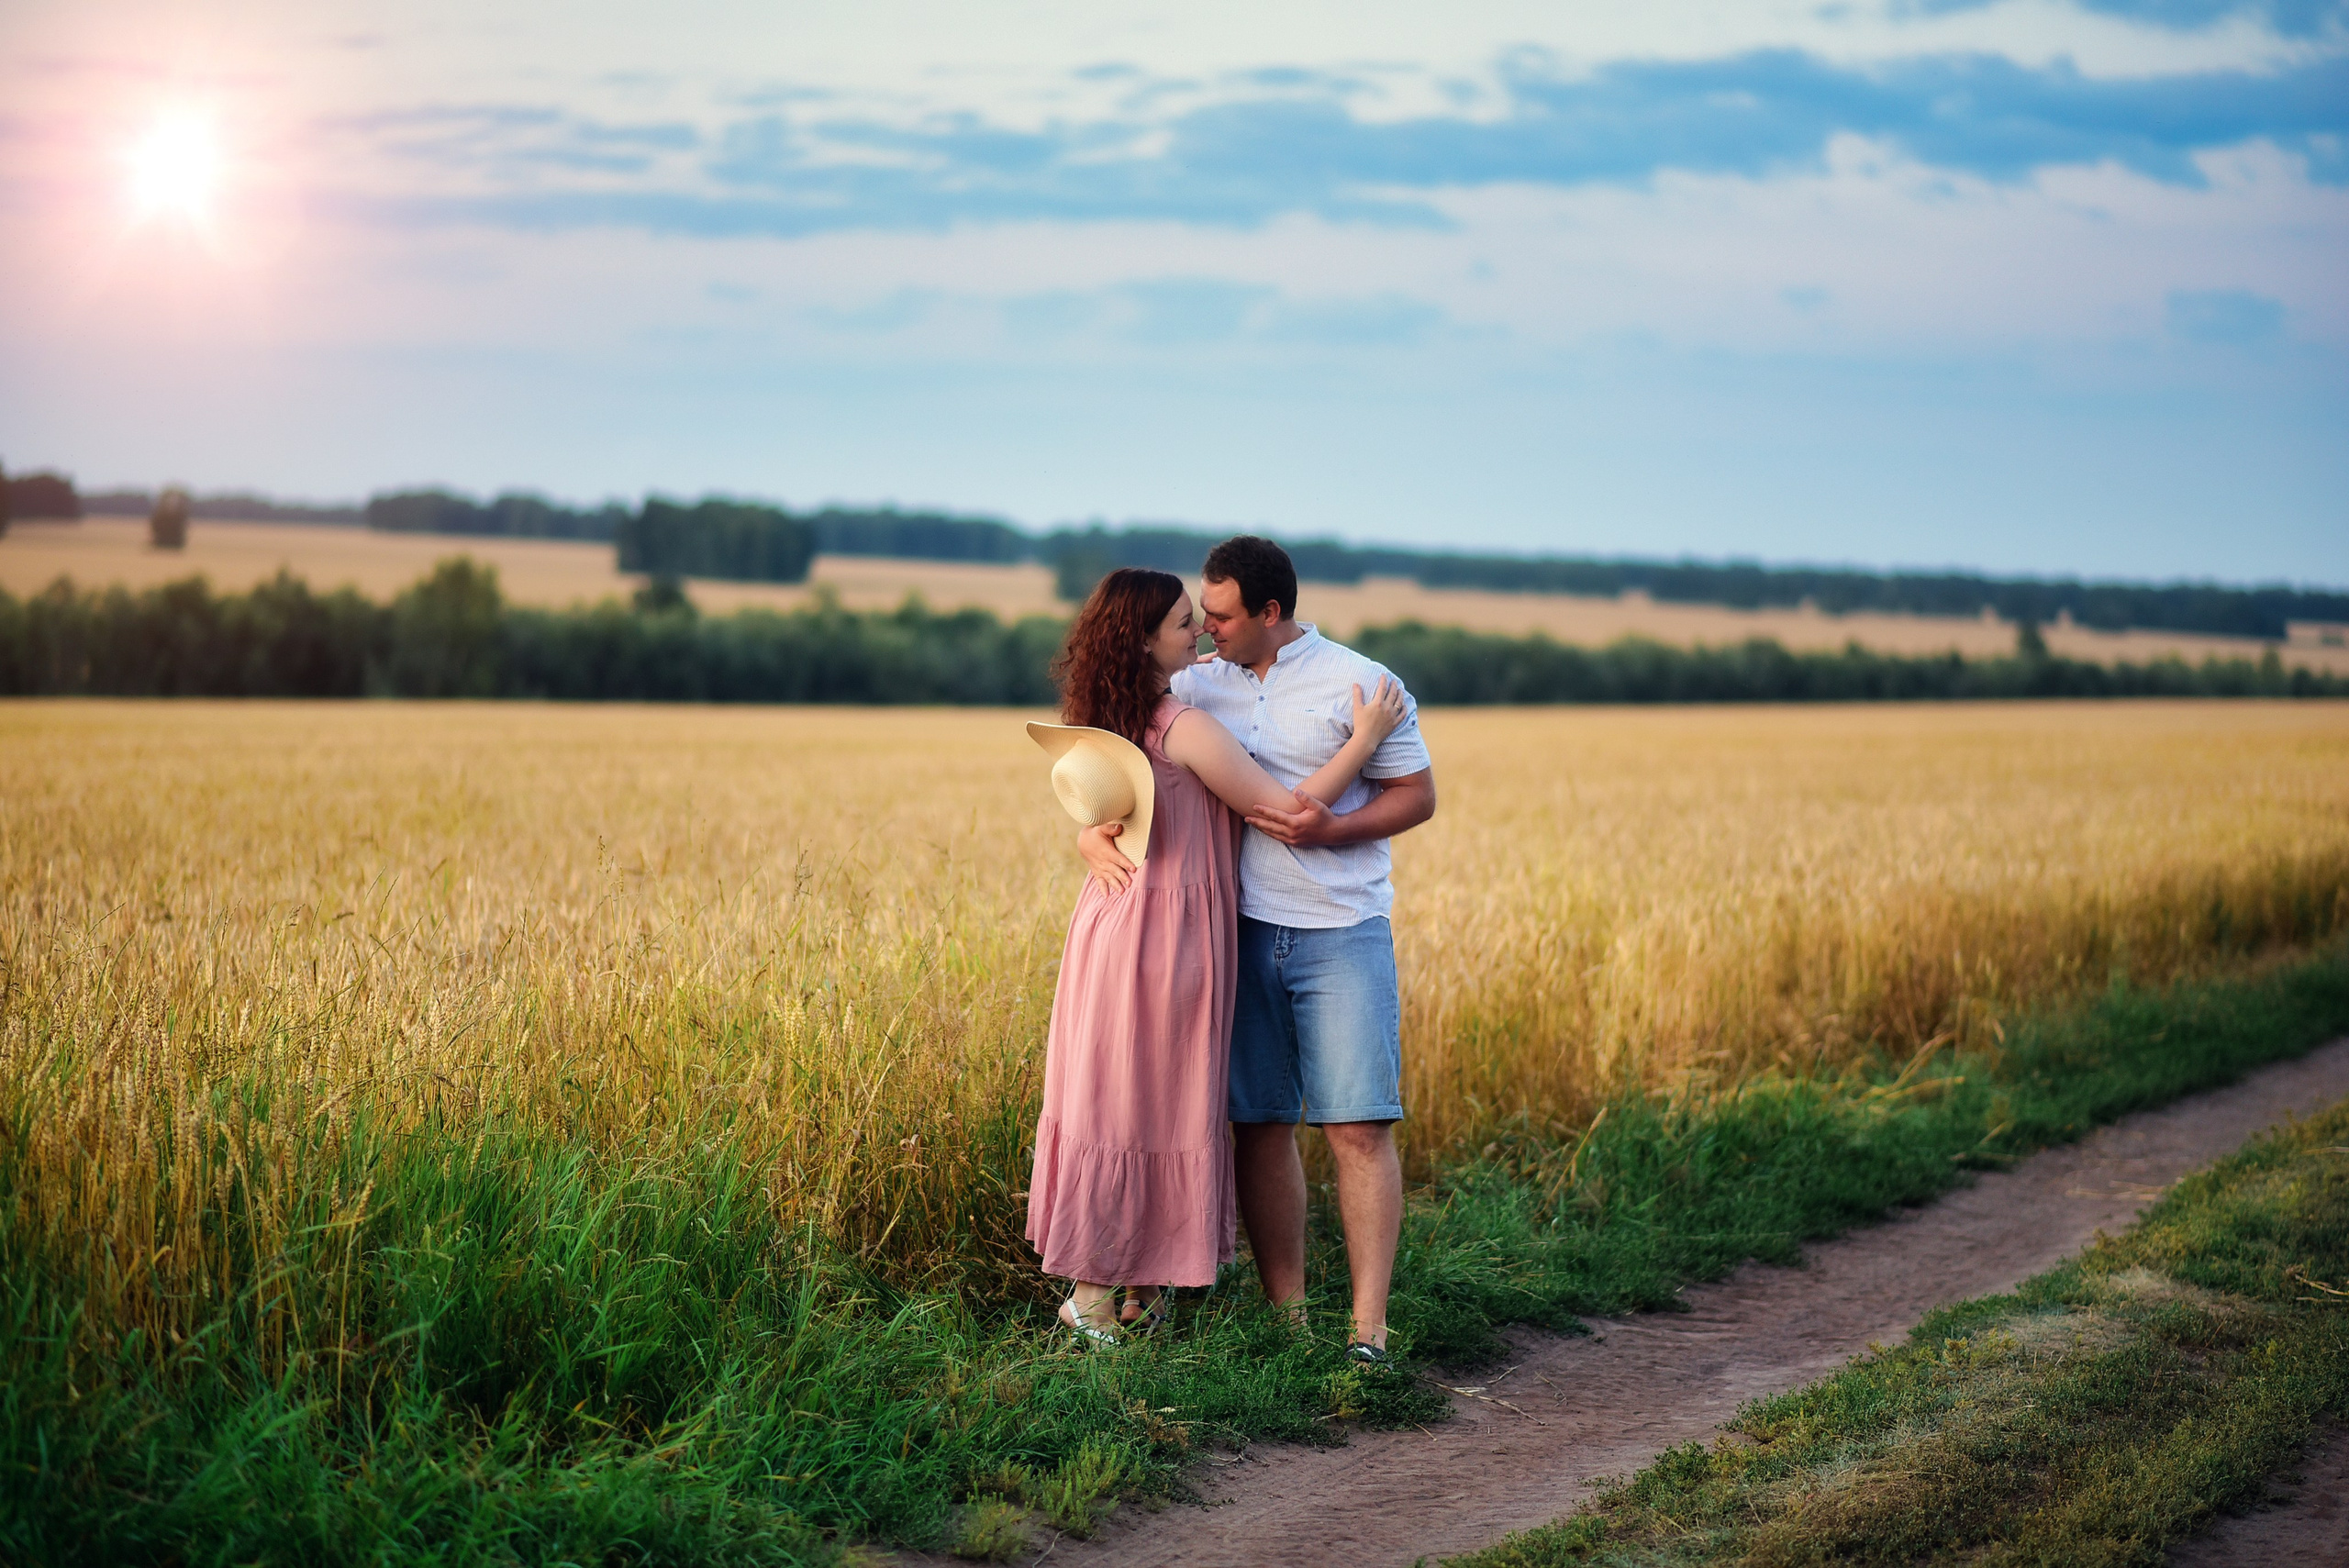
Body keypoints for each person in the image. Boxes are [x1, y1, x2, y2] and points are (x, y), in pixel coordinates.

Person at [1028, 566, 1408, 1344]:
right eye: (1182, 622)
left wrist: (1085, 834)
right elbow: (1283, 811)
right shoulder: (1186, 724)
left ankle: (1140, 1294)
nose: (1199, 630)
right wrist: (1365, 740)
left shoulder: (1114, 716)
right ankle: (1093, 1298)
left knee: (1126, 1099)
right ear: (1142, 641)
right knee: (1148, 1106)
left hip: (1114, 925)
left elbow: (1102, 802)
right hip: (1164, 937)